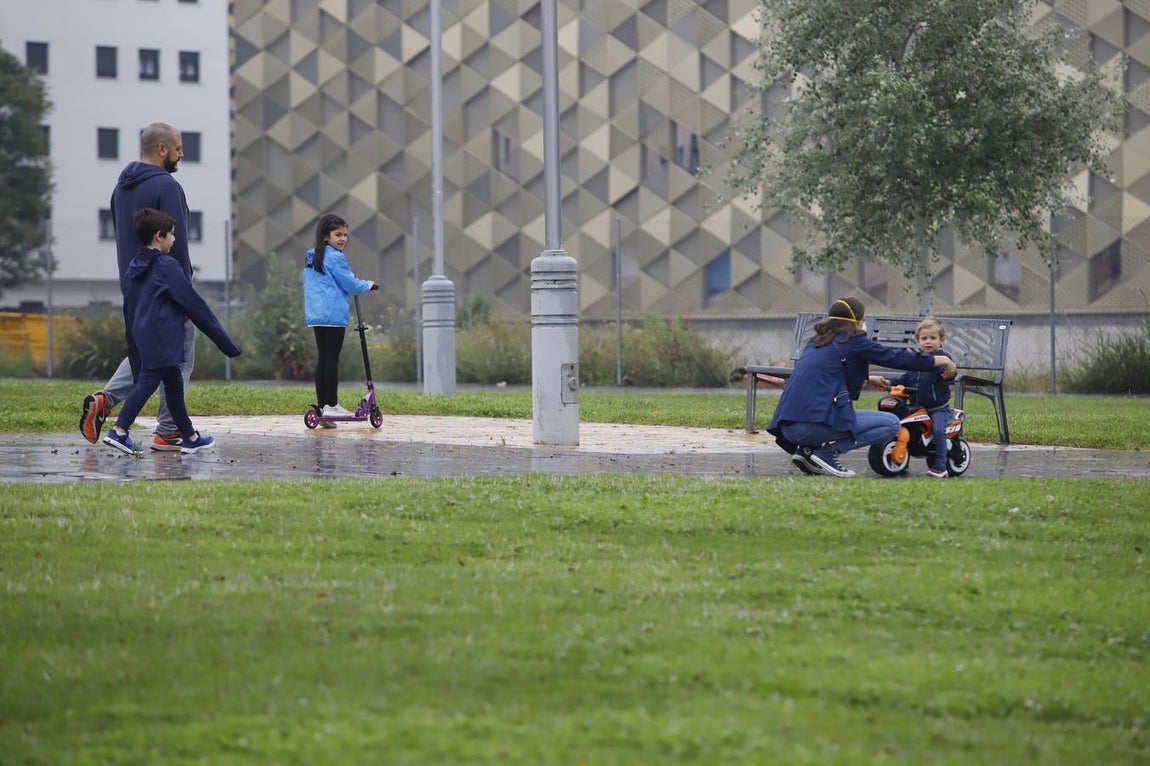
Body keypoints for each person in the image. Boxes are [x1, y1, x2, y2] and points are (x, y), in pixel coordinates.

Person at [80, 123, 198, 451]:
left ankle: (105, 400)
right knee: (179, 357)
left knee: (146, 352)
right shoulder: (167, 186)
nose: (181, 154)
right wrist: (185, 294)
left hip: (134, 283)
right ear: (161, 149)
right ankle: (169, 430)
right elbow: (179, 244)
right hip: (165, 284)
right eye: (177, 148)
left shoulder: (121, 188)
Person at [767, 297, 957, 478]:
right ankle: (828, 453)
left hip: (788, 427)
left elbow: (831, 371)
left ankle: (807, 451)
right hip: (810, 427)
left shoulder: (817, 341)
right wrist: (941, 360)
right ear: (856, 321)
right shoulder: (853, 340)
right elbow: (896, 357)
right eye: (863, 319)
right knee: (891, 424)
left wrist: (868, 378)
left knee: (842, 415)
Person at [102, 208, 242, 455]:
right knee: (147, 383)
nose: (175, 240)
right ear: (159, 236)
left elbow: (132, 306)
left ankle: (189, 436)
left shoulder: (135, 267)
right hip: (164, 336)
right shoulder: (167, 265)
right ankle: (120, 430)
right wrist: (227, 344)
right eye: (172, 235)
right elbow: (193, 303)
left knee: (174, 386)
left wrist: (133, 339)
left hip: (145, 335)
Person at [302, 214, 377, 425]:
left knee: (323, 359)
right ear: (326, 236)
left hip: (317, 315)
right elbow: (350, 283)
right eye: (338, 235)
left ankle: (323, 408)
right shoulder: (334, 257)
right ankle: (332, 405)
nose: (342, 239)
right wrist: (368, 285)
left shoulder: (313, 256)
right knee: (331, 359)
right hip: (333, 315)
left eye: (345, 235)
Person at [891, 316, 953, 478]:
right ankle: (901, 462)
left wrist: (950, 371)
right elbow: (904, 379)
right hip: (917, 409)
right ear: (918, 341)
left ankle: (940, 465)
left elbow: (950, 374)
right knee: (904, 429)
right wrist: (889, 383)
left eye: (933, 338)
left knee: (939, 430)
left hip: (938, 409)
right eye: (924, 338)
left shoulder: (942, 360)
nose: (928, 342)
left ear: (941, 340)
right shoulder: (916, 362)